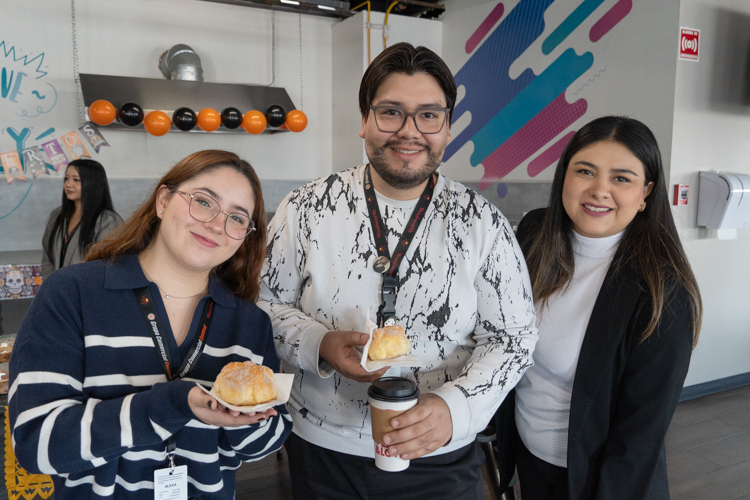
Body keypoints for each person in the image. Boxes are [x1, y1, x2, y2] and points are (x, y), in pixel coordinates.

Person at [258, 42, 538, 499]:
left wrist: (455, 408)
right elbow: (262, 304)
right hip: (323, 451)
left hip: (440, 457)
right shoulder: (307, 207)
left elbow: (514, 337)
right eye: (391, 112)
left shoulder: (481, 222)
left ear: (448, 127)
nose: (410, 132)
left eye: (429, 115)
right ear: (364, 120)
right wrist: (319, 343)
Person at [10, 150, 293, 499]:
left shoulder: (249, 322)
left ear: (246, 235)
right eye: (203, 201)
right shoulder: (73, 293)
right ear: (163, 201)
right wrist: (171, 406)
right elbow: (36, 443)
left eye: (237, 217)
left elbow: (265, 445)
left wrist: (243, 417)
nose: (217, 224)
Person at [495, 116, 703, 499]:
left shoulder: (662, 290)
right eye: (585, 171)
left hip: (596, 481)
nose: (599, 190)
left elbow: (640, 435)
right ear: (564, 176)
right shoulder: (535, 232)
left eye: (621, 178)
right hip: (527, 459)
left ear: (646, 192)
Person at [41, 159, 123, 280]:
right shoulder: (57, 215)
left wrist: (76, 287)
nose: (68, 184)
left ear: (93, 183)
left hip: (88, 289)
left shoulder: (108, 221)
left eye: (76, 179)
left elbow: (107, 265)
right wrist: (53, 285)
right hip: (57, 288)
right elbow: (47, 258)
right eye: (66, 179)